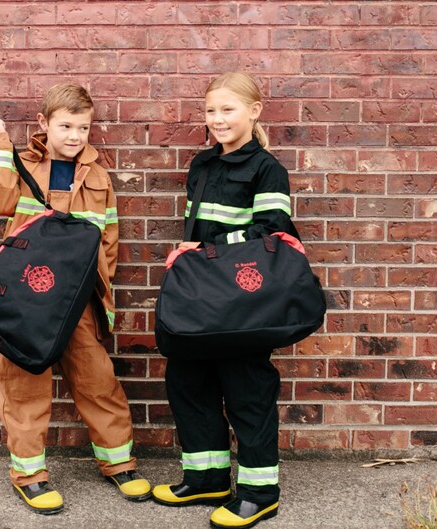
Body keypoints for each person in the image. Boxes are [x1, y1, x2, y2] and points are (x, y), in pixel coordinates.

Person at [0, 83, 151, 514]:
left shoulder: (97, 176)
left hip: (75, 300)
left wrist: (99, 299)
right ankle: (30, 476)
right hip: (24, 299)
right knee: (24, 388)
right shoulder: (21, 165)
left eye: (83, 127)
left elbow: (108, 242)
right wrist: (0, 145)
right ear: (43, 124)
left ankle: (119, 464)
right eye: (66, 126)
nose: (75, 135)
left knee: (98, 380)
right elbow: (0, 201)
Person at [151, 72, 297, 529]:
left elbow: (274, 233)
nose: (218, 119)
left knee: (247, 394)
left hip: (242, 302)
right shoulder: (202, 164)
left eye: (228, 109)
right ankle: (207, 478)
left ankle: (259, 493)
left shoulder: (267, 168)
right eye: (211, 111)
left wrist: (208, 251)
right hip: (200, 301)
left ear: (254, 111)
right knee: (187, 384)